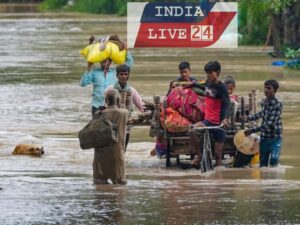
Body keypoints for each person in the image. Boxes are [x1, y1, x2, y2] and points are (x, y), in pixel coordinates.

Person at [190, 61, 230, 166]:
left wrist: (225, 119)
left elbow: (227, 105)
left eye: (210, 73)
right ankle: (199, 155)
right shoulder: (208, 82)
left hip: (219, 124)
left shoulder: (222, 88)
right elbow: (202, 86)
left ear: (218, 72)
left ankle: (218, 176)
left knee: (218, 154)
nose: (208, 75)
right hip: (207, 121)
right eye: (207, 73)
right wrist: (191, 84)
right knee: (191, 130)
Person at [80, 51, 134, 117]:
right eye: (103, 59)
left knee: (112, 126)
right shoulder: (94, 72)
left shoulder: (115, 72)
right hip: (97, 105)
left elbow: (129, 64)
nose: (105, 62)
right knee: (97, 126)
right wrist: (88, 68)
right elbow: (83, 83)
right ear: (100, 61)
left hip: (112, 106)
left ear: (110, 61)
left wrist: (125, 50)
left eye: (107, 60)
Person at [93, 89, 128, 185]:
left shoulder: (98, 114)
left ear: (106, 100)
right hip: (117, 154)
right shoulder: (123, 113)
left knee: (99, 185)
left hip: (100, 155)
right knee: (120, 186)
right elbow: (123, 109)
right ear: (117, 100)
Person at [244, 79, 282, 167]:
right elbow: (262, 113)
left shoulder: (277, 105)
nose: (266, 90)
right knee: (263, 165)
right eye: (265, 88)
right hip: (264, 137)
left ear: (275, 91)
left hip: (275, 138)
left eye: (269, 88)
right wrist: (248, 118)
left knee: (274, 159)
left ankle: (274, 177)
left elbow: (269, 124)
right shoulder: (264, 102)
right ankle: (265, 179)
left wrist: (251, 130)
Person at [105, 64, 144, 151]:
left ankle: (121, 163)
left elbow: (141, 105)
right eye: (121, 74)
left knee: (123, 149)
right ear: (117, 75)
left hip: (126, 124)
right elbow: (104, 105)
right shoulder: (110, 89)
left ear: (128, 75)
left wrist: (148, 113)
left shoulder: (132, 90)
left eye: (126, 74)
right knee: (111, 148)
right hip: (112, 124)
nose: (123, 76)